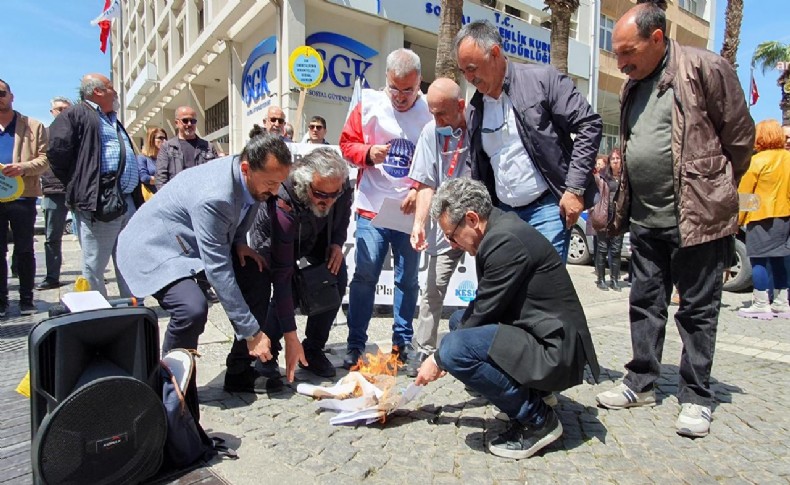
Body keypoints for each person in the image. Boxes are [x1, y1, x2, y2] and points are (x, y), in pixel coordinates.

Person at [595, 2, 755, 439]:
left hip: (697, 219)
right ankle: (641, 381)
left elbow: (740, 138)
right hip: (646, 219)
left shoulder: (705, 68)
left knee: (698, 309)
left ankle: (696, 396)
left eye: (627, 52)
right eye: (617, 54)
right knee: (644, 303)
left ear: (658, 39)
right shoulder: (632, 85)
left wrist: (715, 186)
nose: (621, 62)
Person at [415, 178, 600, 459]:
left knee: (454, 347)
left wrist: (439, 358)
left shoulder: (505, 240)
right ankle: (534, 392)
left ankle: (537, 419)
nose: (452, 245)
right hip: (540, 335)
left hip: (556, 352)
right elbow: (482, 308)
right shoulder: (499, 230)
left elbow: (484, 311)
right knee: (457, 325)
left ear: (472, 219)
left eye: (451, 235)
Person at [116, 134, 292, 374]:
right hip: (155, 247)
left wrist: (239, 241)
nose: (275, 191)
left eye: (279, 183)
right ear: (246, 168)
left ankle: (240, 369)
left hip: (193, 242)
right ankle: (172, 384)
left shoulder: (250, 178)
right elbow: (217, 268)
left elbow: (243, 207)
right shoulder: (215, 196)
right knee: (192, 308)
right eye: (271, 184)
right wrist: (251, 331)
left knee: (256, 274)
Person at [455, 20, 602, 262]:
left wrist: (575, 189)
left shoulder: (543, 81)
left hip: (547, 209)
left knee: (542, 289)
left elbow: (589, 124)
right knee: (510, 289)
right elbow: (475, 167)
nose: (469, 78)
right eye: (463, 71)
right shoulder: (475, 110)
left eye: (472, 68)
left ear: (494, 53)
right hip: (503, 216)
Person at [225, 147, 352, 392]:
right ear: (306, 184)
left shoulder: (339, 186)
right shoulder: (282, 198)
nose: (328, 200)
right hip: (276, 237)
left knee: (336, 274)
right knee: (281, 290)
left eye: (334, 194)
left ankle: (313, 350)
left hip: (316, 236)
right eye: (320, 194)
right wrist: (289, 332)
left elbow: (343, 214)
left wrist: (336, 243)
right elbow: (281, 274)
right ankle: (267, 354)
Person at [339, 48, 432, 369]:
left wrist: (419, 191)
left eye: (409, 90)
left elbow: (439, 161)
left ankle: (401, 345)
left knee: (408, 281)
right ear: (386, 81)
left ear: (419, 83)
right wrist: (367, 152)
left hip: (408, 211)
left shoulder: (429, 113)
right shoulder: (368, 105)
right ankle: (355, 344)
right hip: (372, 207)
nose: (401, 97)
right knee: (364, 277)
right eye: (395, 88)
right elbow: (345, 145)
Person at [48, 73, 141, 298]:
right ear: (97, 92)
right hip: (100, 202)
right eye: (111, 88)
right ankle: (98, 313)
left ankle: (133, 307)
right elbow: (57, 153)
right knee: (95, 264)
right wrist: (81, 185)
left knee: (129, 258)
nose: (116, 92)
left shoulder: (110, 119)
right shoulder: (77, 114)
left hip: (125, 199)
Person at [405, 78, 470, 377]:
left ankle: (485, 351)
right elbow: (426, 183)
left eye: (442, 113)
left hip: (481, 226)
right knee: (432, 291)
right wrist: (419, 223)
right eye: (432, 112)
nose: (436, 119)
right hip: (445, 228)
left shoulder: (479, 125)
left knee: (494, 289)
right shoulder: (431, 132)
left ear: (460, 106)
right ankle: (424, 350)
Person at [0, 78, 49, 317]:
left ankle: (26, 299)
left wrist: (22, 167)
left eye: (1, 93)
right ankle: (1, 301)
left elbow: (44, 159)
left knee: (25, 249)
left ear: (11, 96)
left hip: (23, 196)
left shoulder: (33, 126)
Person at [736, 120, 790, 319]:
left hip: (761, 216)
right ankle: (781, 303)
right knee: (780, 260)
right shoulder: (788, 158)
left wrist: (738, 220)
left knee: (758, 260)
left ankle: (760, 303)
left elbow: (746, 194)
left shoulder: (756, 161)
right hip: (785, 215)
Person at [36, 96, 72, 291]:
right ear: (52, 112)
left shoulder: (80, 134)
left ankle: (92, 274)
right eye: (59, 109)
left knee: (87, 236)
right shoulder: (44, 134)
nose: (62, 112)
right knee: (52, 237)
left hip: (77, 190)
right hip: (52, 191)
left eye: (66, 108)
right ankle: (52, 277)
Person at [155, 106, 218, 189]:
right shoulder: (167, 147)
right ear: (176, 123)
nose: (189, 124)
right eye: (185, 121)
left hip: (202, 196)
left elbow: (217, 173)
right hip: (178, 197)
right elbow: (160, 178)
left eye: (193, 121)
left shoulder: (208, 147)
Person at [594, 148, 624, 291]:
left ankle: (614, 280)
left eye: (618, 158)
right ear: (609, 162)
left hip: (618, 217)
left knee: (616, 250)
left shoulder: (625, 177)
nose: (616, 161)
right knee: (602, 248)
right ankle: (601, 279)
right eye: (613, 159)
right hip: (605, 215)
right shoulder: (602, 177)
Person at [138, 127, 166, 199]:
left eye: (165, 138)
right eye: (160, 138)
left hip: (165, 196)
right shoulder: (142, 158)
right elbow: (144, 178)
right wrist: (163, 180)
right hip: (150, 198)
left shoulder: (166, 158)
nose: (164, 141)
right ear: (151, 140)